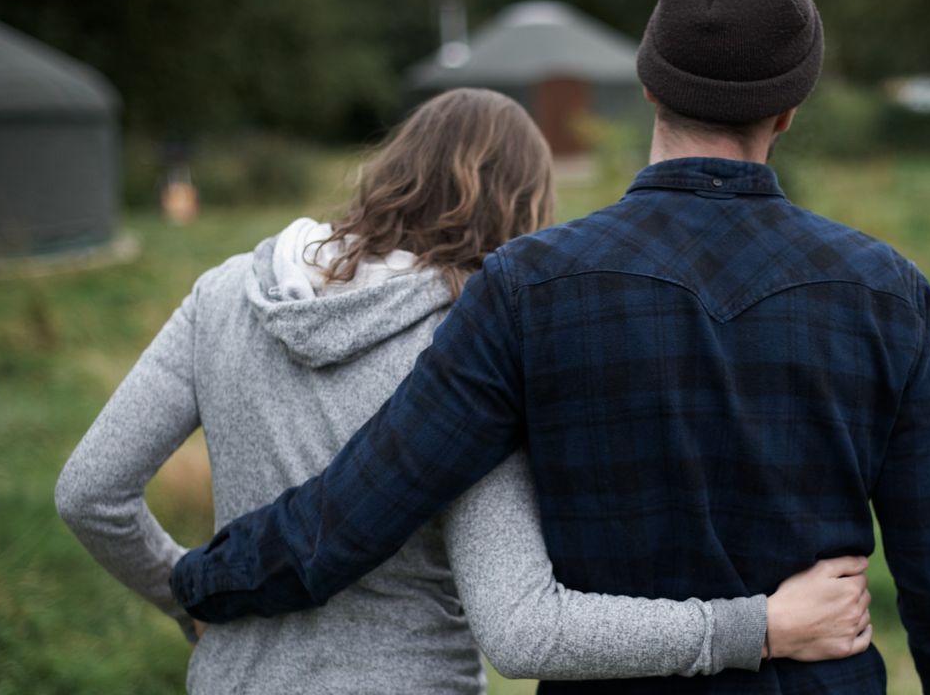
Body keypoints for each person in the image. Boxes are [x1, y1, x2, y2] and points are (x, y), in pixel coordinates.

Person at [171, 0, 930, 690]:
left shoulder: (525, 289)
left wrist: (197, 580)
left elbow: (355, 510)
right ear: (790, 109)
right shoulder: (887, 293)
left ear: (648, 86)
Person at [55, 88, 874, 694]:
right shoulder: (474, 352)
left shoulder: (226, 293)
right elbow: (523, 629)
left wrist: (189, 600)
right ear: (524, 212)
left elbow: (89, 493)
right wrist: (754, 626)